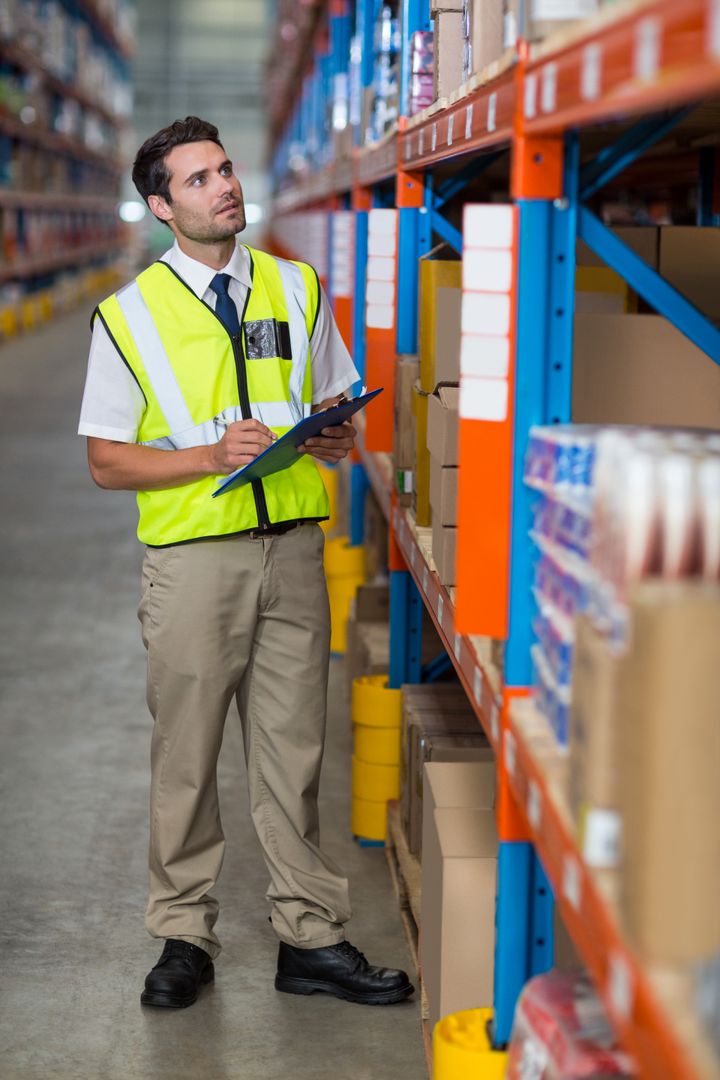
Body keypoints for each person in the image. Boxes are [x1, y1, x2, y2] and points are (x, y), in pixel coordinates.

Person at [78, 116, 413, 1010]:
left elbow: (334, 396)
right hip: (193, 565)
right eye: (198, 179)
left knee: (293, 755)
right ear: (161, 207)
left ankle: (310, 936)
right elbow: (106, 460)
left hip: (293, 552)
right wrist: (207, 457)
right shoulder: (128, 316)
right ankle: (183, 935)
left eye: (225, 169)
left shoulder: (296, 287)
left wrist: (336, 434)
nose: (223, 186)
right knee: (187, 758)